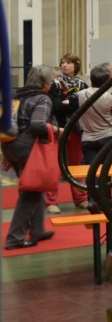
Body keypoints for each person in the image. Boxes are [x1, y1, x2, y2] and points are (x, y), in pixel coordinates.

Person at [2, 65, 58, 249]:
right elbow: (38, 125)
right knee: (29, 193)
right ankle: (14, 238)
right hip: (28, 147)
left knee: (35, 187)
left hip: (11, 145)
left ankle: (37, 230)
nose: (52, 85)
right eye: (51, 81)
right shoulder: (42, 98)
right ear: (45, 84)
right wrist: (57, 130)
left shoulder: (18, 96)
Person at [47, 53, 88, 212]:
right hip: (57, 128)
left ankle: (80, 198)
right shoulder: (54, 84)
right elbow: (55, 106)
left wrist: (68, 103)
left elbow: (82, 106)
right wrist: (71, 102)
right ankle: (51, 201)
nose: (64, 65)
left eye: (68, 62)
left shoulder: (82, 85)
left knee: (76, 164)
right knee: (55, 164)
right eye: (62, 62)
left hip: (76, 129)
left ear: (76, 66)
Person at [77, 65, 112, 166]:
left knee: (90, 169)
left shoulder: (81, 95)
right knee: (105, 169)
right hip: (107, 137)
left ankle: (92, 182)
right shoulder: (110, 98)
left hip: (87, 138)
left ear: (91, 79)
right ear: (107, 81)